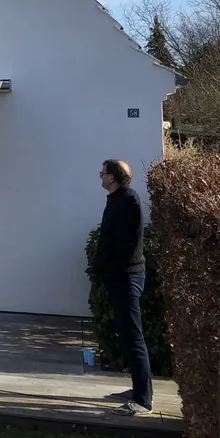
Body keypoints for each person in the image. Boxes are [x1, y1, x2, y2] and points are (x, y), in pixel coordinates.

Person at [89, 158, 153, 417]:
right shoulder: (116, 199)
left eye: (102, 173)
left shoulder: (128, 200)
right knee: (128, 337)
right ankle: (138, 390)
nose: (100, 177)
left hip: (127, 277)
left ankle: (143, 401)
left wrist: (108, 266)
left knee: (134, 337)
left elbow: (125, 243)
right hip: (118, 277)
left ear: (112, 178)